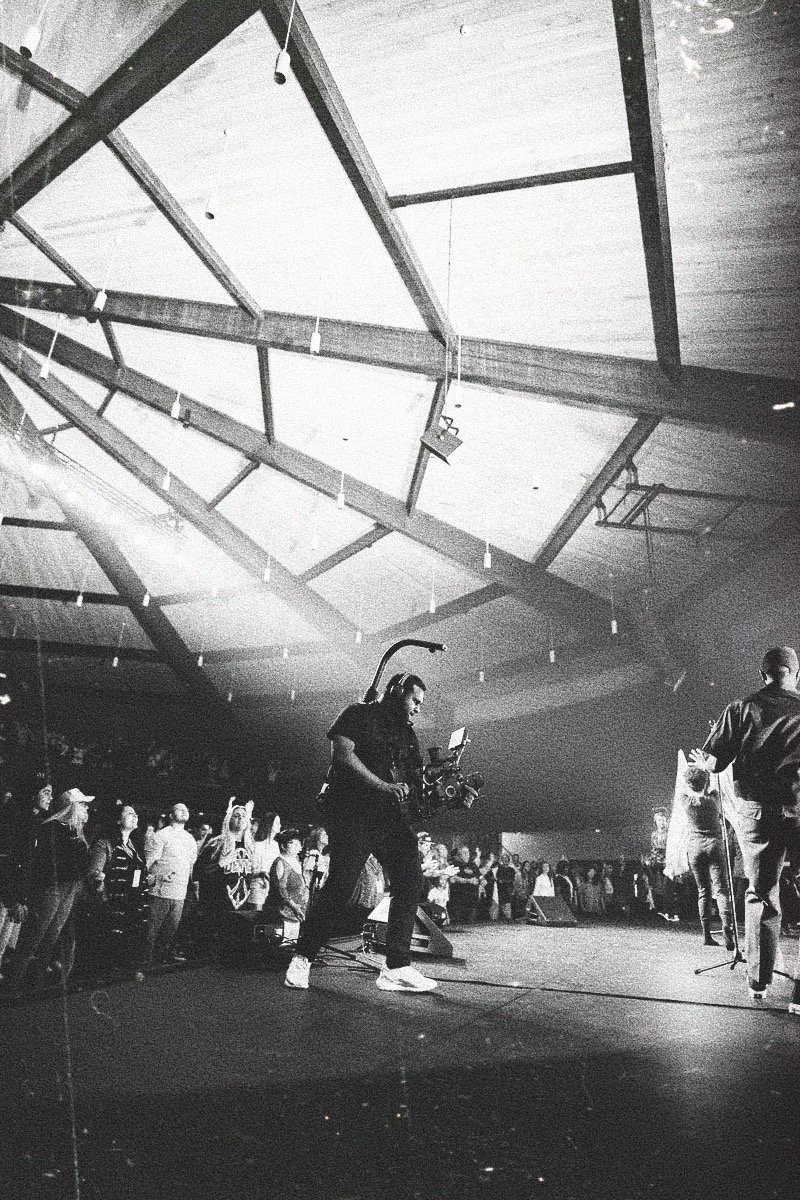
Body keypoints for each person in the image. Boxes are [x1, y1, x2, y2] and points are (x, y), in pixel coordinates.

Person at [284, 672, 438, 992]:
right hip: (353, 812)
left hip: (390, 819)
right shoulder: (358, 714)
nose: (418, 709)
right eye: (415, 700)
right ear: (396, 692)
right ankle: (302, 958)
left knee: (410, 880)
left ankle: (396, 966)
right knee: (341, 886)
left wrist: (448, 796)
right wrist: (382, 785)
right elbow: (342, 754)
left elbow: (413, 786)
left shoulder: (408, 735)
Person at [691, 646, 800, 1010]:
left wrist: (706, 758)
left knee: (762, 893)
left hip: (758, 811)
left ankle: (758, 982)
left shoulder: (741, 707)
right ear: (795, 674)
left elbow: (714, 763)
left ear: (762, 674)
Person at [4, 788, 93, 989]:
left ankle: (36, 986)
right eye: (82, 804)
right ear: (71, 806)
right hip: (51, 889)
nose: (87, 808)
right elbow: (38, 865)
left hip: (67, 889)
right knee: (33, 939)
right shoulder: (51, 828)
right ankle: (13, 987)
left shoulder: (75, 831)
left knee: (50, 939)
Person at [87, 804, 149, 979]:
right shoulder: (104, 844)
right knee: (109, 944)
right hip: (111, 906)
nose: (135, 816)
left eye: (136, 813)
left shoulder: (134, 845)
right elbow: (94, 875)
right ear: (117, 820)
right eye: (129, 813)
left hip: (132, 905)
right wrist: (102, 895)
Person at [679, 766, 735, 949]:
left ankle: (707, 935)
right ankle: (727, 925)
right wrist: (707, 768)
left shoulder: (684, 801)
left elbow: (685, 787)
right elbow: (715, 782)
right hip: (714, 845)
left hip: (695, 847)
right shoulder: (713, 798)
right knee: (721, 890)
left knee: (704, 891)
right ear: (705, 783)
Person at [143, 801, 197, 968]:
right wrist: (156, 879)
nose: (183, 811)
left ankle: (160, 962)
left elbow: (191, 865)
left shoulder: (190, 839)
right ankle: (145, 963)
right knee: (151, 931)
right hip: (160, 892)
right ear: (171, 815)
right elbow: (147, 863)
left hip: (179, 893)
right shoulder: (160, 836)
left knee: (170, 931)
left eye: (185, 809)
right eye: (179, 810)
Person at [268, 828, 309, 944]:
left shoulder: (297, 861)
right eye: (292, 843)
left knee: (293, 942)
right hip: (285, 911)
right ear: (283, 846)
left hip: (298, 910)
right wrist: (293, 906)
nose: (297, 846)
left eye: (298, 843)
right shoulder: (281, 862)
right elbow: (281, 889)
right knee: (284, 942)